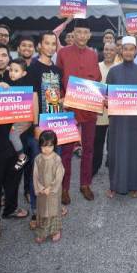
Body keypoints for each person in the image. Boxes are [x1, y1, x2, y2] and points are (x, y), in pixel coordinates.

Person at [0, 46, 29, 242]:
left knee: (14, 175)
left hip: (14, 140)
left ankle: (10, 208)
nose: (1, 59)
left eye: (4, 55)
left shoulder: (14, 80)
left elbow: (24, 109)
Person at [56, 18, 102, 202]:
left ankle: (85, 184)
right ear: (73, 34)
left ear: (89, 35)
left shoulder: (93, 54)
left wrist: (99, 96)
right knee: (66, 150)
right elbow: (58, 78)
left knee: (88, 148)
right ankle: (64, 187)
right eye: (79, 32)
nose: (82, 36)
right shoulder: (63, 53)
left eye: (85, 32)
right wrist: (60, 98)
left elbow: (97, 79)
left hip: (89, 109)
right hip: (69, 109)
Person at [26, 31, 63, 225]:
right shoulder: (33, 68)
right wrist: (36, 124)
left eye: (53, 44)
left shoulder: (58, 70)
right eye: (46, 43)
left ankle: (52, 207)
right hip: (40, 128)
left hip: (56, 127)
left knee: (54, 169)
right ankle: (36, 209)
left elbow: (58, 97)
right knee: (39, 170)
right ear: (40, 45)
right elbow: (33, 97)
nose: (50, 47)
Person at [106, 36, 137, 197]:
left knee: (135, 151)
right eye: (125, 49)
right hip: (117, 121)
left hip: (136, 121)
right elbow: (107, 95)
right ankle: (114, 185)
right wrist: (106, 101)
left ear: (136, 51)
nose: (128, 52)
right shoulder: (113, 72)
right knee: (116, 152)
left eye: (132, 49)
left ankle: (135, 185)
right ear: (121, 51)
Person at [33, 131, 65, 243]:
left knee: (53, 210)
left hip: (53, 192)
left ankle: (55, 231)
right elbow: (35, 175)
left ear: (54, 145)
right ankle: (42, 232)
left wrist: (51, 188)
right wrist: (40, 188)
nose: (47, 149)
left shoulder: (57, 159)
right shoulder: (38, 159)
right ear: (40, 145)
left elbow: (60, 175)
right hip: (42, 191)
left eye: (50, 146)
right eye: (44, 146)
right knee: (42, 211)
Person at [92, 42, 118, 177]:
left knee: (113, 144)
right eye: (106, 49)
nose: (108, 52)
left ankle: (113, 168)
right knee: (97, 143)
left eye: (111, 50)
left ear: (116, 52)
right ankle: (94, 168)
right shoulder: (96, 67)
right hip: (99, 113)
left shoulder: (119, 68)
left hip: (115, 114)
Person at [4, 58, 32, 170]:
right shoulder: (14, 82)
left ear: (24, 73)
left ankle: (22, 156)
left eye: (16, 71)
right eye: (10, 70)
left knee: (13, 135)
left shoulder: (21, 84)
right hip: (21, 116)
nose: (12, 73)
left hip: (23, 117)